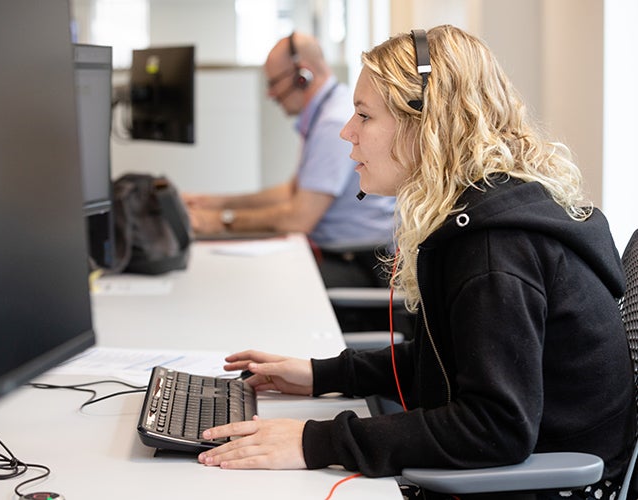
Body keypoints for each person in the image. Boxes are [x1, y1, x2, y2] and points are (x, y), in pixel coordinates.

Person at [195, 25, 636, 499]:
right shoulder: (479, 211)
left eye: (364, 116)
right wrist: (323, 374)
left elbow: (494, 428)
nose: (347, 132)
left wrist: (315, 441)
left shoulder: (494, 249)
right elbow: (450, 360)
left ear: (427, 124)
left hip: (546, 486)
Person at [183, 31, 395, 291]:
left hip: (359, 265)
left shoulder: (332, 123)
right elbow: (292, 191)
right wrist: (215, 202)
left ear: (302, 76)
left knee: (255, 284)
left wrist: (219, 221)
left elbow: (298, 218)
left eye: (273, 82)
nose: (271, 94)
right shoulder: (324, 114)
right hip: (342, 256)